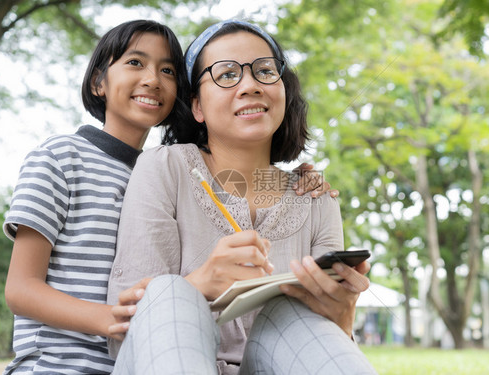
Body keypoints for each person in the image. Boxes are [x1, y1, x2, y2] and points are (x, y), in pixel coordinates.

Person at [1, 19, 333, 375]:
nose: (152, 79)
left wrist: (301, 181)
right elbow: (20, 289)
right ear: (99, 81)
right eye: (134, 62)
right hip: (57, 364)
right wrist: (113, 317)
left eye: (168, 70)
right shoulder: (62, 157)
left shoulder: (166, 173)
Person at [107, 19, 377, 374]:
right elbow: (127, 327)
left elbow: (320, 346)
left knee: (295, 313)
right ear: (198, 107)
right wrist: (196, 285)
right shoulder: (164, 168)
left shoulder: (316, 199)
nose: (250, 85)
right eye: (227, 74)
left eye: (265, 71)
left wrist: (342, 317)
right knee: (169, 292)